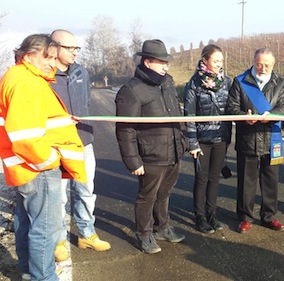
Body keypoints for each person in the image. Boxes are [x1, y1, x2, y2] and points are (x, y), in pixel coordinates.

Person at [0, 34, 87, 281]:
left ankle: (28, 271)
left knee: (27, 223)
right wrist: (49, 161)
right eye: (48, 57)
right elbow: (25, 136)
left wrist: (65, 121)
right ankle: (43, 277)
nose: (53, 63)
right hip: (37, 168)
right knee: (44, 228)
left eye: (55, 58)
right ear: (28, 56)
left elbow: (37, 121)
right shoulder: (26, 82)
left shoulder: (21, 77)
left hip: (26, 167)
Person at [115, 39, 187, 254]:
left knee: (164, 193)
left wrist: (183, 143)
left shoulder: (168, 83)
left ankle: (162, 227)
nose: (166, 66)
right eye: (161, 62)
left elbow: (177, 116)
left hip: (174, 151)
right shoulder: (132, 90)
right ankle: (144, 234)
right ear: (147, 62)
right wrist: (133, 160)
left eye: (167, 62)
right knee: (147, 196)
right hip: (151, 155)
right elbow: (125, 130)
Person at [50, 29, 111, 262]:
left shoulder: (81, 72)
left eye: (77, 48)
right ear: (54, 48)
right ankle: (58, 240)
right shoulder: (46, 74)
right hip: (57, 145)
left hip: (83, 141)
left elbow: (85, 102)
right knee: (60, 196)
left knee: (86, 191)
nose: (75, 52)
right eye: (70, 48)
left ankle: (87, 234)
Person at [226, 48, 284, 234]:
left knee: (271, 181)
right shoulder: (240, 81)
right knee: (247, 182)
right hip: (248, 138)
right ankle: (245, 217)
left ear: (273, 64)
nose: (262, 68)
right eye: (259, 64)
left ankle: (269, 216)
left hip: (272, 139)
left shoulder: (280, 82)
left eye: (267, 65)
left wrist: (272, 114)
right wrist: (243, 116)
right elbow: (231, 107)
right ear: (253, 62)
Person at [184, 44, 232, 234]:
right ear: (205, 60)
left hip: (221, 138)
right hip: (202, 140)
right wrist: (193, 143)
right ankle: (200, 217)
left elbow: (232, 108)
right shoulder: (193, 84)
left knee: (214, 179)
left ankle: (212, 214)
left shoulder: (227, 82)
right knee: (201, 179)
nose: (220, 64)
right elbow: (189, 116)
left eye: (221, 60)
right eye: (216, 60)